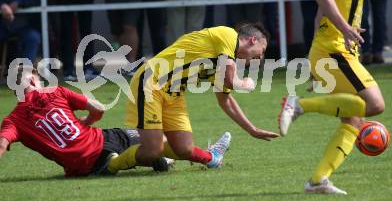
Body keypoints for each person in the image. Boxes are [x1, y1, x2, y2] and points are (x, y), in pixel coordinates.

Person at [279, 0, 385, 195]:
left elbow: (321, 12)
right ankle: (300, 105)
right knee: (374, 104)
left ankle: (318, 180)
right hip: (335, 49)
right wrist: (345, 29)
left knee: (353, 120)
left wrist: (318, 62)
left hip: (329, 50)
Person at [105, 24, 280, 174]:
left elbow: (225, 100)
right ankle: (110, 165)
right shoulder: (228, 35)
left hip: (174, 93)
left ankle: (208, 156)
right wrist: (246, 83)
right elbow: (230, 81)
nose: (260, 57)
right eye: (262, 51)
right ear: (252, 40)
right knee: (152, 150)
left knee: (184, 149)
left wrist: (252, 129)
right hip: (152, 81)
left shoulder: (222, 59)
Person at [0, 66, 173, 186]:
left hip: (79, 168)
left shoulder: (13, 119)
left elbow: (0, 144)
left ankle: (113, 162)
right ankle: (162, 157)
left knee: (115, 156)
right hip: (98, 141)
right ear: (34, 80)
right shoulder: (56, 91)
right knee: (155, 138)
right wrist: (87, 121)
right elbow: (98, 108)